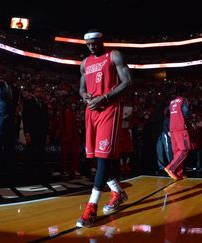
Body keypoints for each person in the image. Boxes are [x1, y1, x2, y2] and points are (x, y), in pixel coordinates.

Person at [76, 29, 133, 228]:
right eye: (88, 44)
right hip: (91, 110)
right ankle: (118, 192)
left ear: (102, 41)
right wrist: (85, 97)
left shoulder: (114, 55)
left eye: (94, 43)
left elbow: (127, 81)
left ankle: (91, 208)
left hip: (110, 108)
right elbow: (81, 89)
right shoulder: (85, 63)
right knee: (98, 159)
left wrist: (105, 97)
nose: (91, 46)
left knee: (102, 158)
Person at [0, 72, 19, 174]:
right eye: (11, 76)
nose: (13, 78)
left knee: (9, 149)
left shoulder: (15, 90)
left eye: (14, 77)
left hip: (10, 124)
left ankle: (7, 172)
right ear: (6, 77)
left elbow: (14, 106)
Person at [164, 87, 191, 180]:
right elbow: (186, 112)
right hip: (180, 127)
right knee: (185, 149)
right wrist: (187, 120)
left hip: (172, 127)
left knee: (177, 151)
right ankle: (171, 168)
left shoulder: (172, 102)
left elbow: (166, 113)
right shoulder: (183, 100)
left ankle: (179, 172)